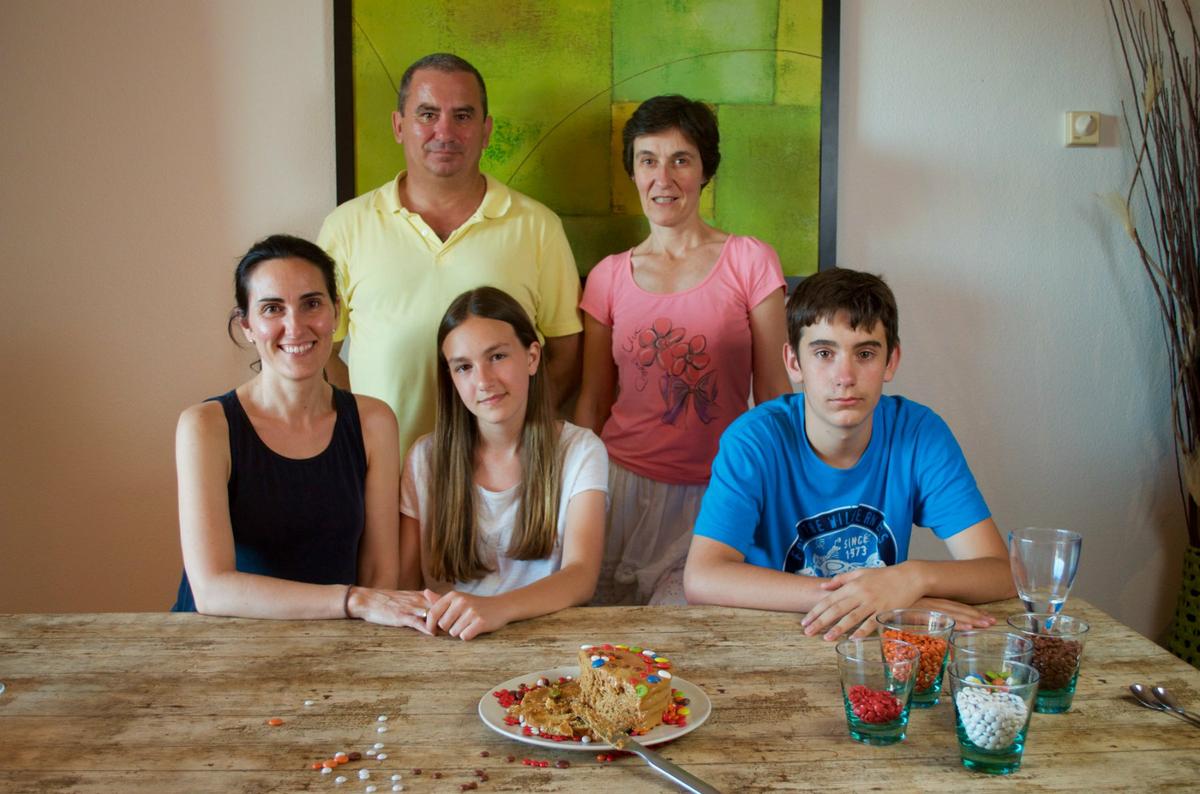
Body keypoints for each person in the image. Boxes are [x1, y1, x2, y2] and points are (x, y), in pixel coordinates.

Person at [683, 267, 1015, 639]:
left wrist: (910, 579)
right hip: (773, 633)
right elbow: (702, 577)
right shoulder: (753, 440)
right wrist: (864, 598)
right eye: (824, 352)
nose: (845, 376)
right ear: (794, 363)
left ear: (890, 362)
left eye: (866, 353)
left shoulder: (920, 434)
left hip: (874, 645)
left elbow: (1001, 574)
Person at [574, 95, 791, 605]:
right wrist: (572, 499)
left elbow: (776, 399)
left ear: (704, 171)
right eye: (648, 159)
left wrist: (779, 501)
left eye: (680, 160)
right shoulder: (607, 276)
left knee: (688, 652)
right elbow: (592, 403)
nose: (662, 178)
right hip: (619, 492)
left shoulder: (750, 261)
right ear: (632, 170)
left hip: (719, 495)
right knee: (603, 650)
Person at [318, 53, 583, 461]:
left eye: (462, 116)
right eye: (427, 114)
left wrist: (512, 441)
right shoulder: (345, 227)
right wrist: (361, 427)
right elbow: (322, 349)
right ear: (398, 126)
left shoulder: (537, 227)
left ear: (486, 130)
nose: (445, 131)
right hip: (383, 472)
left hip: (500, 483)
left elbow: (565, 352)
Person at [171, 235, 430, 630]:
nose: (295, 326)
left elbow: (380, 572)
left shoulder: (373, 421)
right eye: (272, 308)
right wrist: (354, 600)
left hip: (336, 643)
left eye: (311, 303)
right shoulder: (205, 427)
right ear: (247, 326)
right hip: (216, 646)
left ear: (336, 312)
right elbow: (212, 590)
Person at [401, 287, 607, 640]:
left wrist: (497, 609)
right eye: (464, 367)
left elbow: (581, 576)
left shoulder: (580, 450)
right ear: (451, 378)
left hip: (550, 641)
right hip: (451, 646)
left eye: (496, 357)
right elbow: (403, 584)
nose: (483, 380)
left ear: (532, 358)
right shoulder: (425, 458)